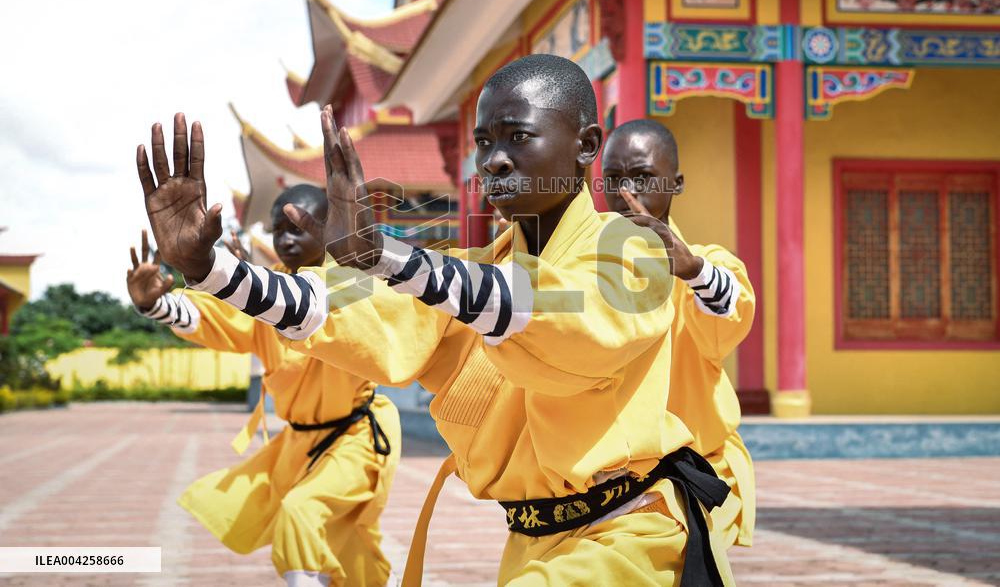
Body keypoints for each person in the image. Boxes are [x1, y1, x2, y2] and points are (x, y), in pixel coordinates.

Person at [136, 54, 732, 586]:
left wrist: (387, 255)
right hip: (530, 543)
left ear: (585, 145)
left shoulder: (635, 249)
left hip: (632, 539)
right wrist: (208, 268)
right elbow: (336, 307)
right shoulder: (475, 271)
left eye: (517, 137)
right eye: (482, 143)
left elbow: (554, 306)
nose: (494, 161)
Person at [126, 184, 401, 587]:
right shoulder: (264, 294)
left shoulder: (354, 284)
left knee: (300, 511)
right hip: (297, 445)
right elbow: (210, 320)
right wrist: (156, 305)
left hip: (355, 438)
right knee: (349, 540)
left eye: (299, 228)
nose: (286, 239)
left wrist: (242, 283)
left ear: (328, 228)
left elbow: (335, 306)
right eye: (278, 230)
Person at [601, 118, 756, 552]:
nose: (625, 192)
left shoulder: (706, 266)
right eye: (612, 179)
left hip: (696, 472)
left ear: (677, 183)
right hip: (610, 482)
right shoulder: (589, 267)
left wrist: (690, 270)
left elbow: (733, 306)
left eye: (642, 176)